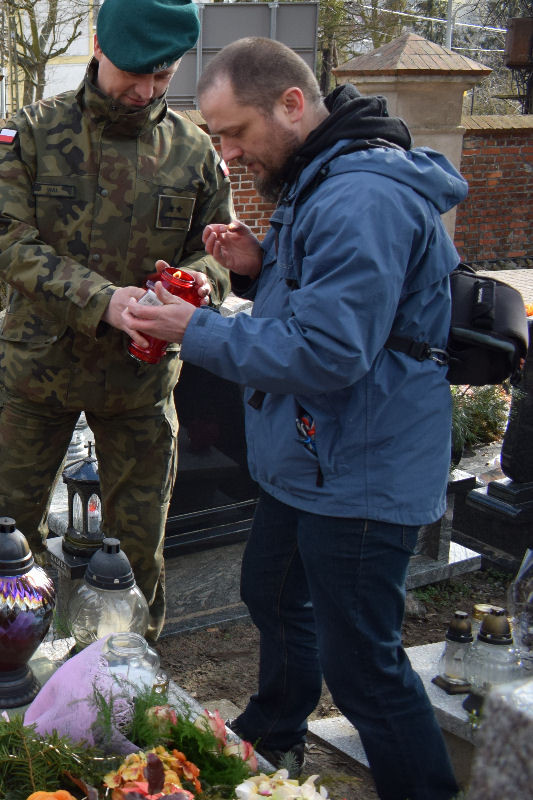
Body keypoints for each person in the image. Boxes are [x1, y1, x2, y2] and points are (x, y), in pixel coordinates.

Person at [122, 37, 468, 800]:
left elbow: (328, 352)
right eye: (216, 137)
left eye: (233, 132)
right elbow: (326, 298)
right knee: (272, 592)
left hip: (361, 468)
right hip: (314, 458)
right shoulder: (324, 177)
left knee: (364, 669)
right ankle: (276, 733)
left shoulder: (360, 196)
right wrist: (260, 267)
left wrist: (193, 329)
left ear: (290, 104)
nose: (226, 154)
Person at [0, 0, 233, 641]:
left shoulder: (193, 151)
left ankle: (128, 674)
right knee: (7, 535)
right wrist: (101, 300)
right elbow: (9, 239)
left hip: (139, 384)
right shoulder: (32, 133)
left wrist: (195, 286)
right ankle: (14, 666)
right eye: (134, 72)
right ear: (99, 45)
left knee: (136, 550)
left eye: (163, 75)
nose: (146, 91)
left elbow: (218, 253)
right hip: (36, 375)